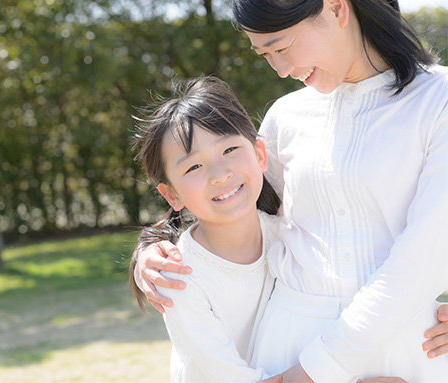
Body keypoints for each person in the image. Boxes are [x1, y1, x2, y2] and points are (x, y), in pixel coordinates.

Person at [131, 0, 448, 382]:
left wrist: (319, 369)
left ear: (335, 8)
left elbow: (428, 248)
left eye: (281, 48)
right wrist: (154, 247)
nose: (280, 70)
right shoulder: (287, 116)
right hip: (288, 347)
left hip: (407, 344)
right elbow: (238, 212)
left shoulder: (437, 99)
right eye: (265, 55)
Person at [130, 75, 404, 383]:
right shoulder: (179, 276)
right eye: (194, 167)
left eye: (230, 149)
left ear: (261, 154)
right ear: (172, 195)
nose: (219, 174)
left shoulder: (286, 231)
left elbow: (352, 284)